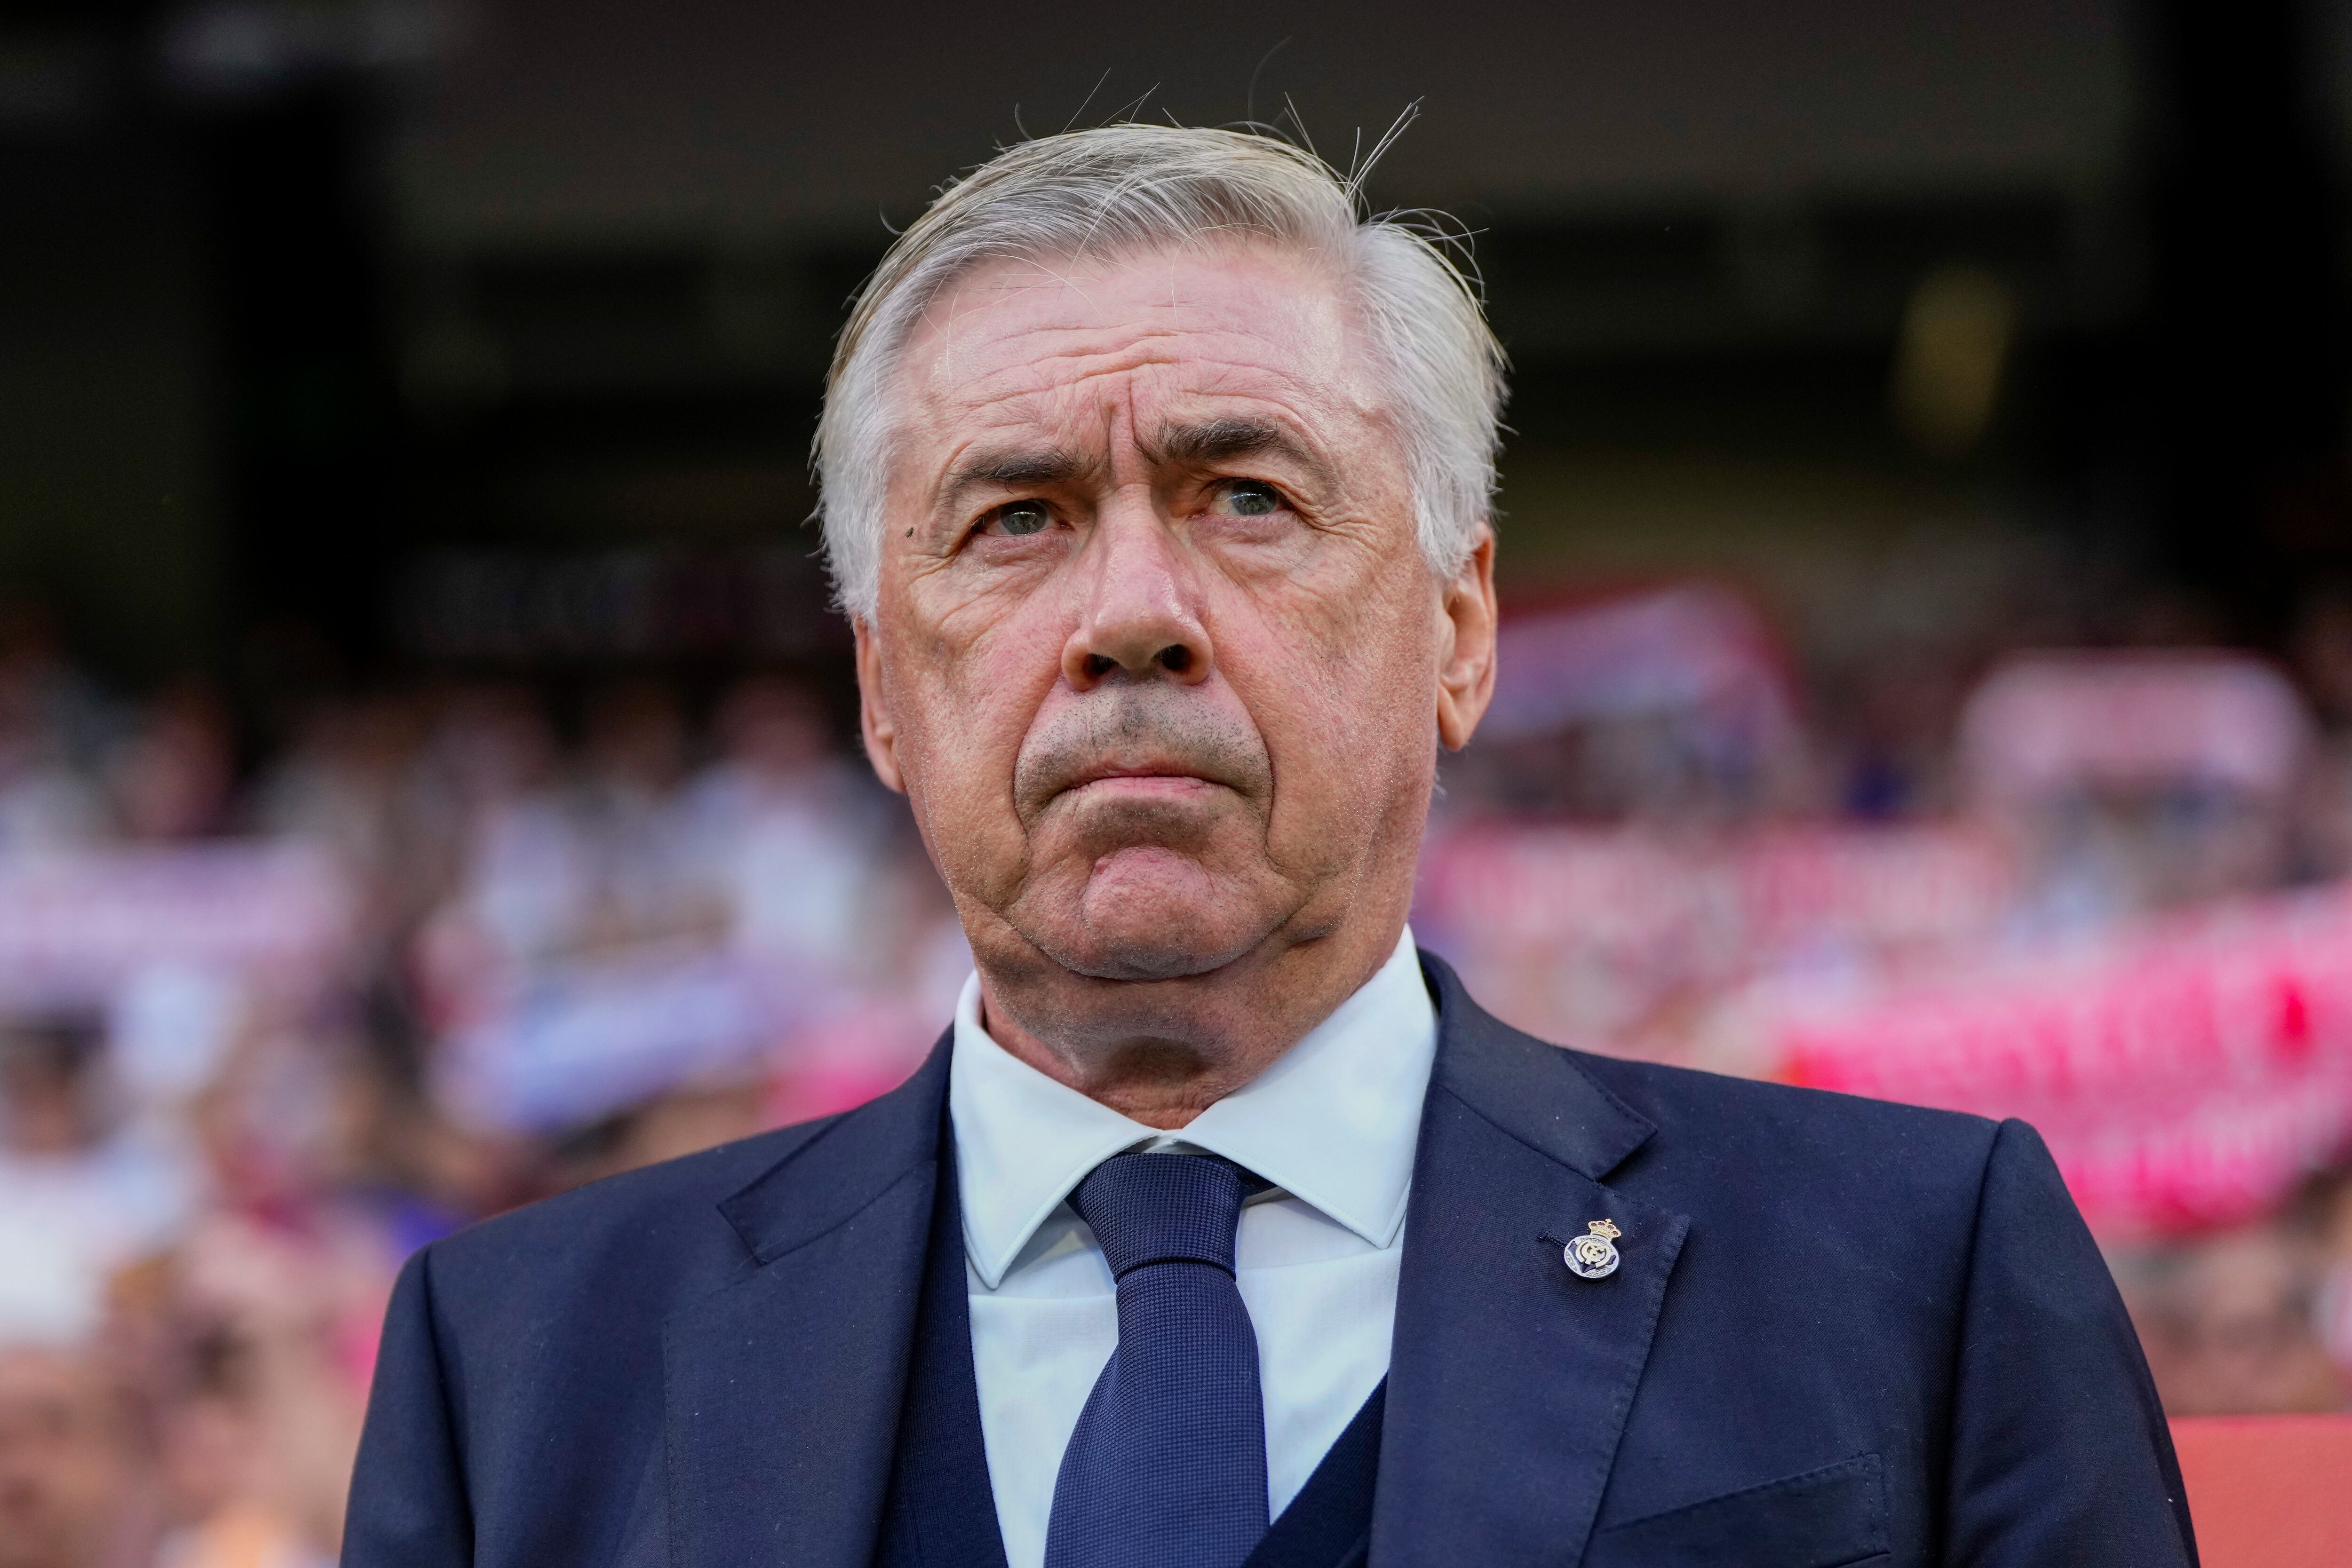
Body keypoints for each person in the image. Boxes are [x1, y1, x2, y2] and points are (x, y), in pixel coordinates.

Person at [343, 126, 2195, 1568]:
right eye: (1015, 519)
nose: (1129, 615)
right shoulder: (519, 1371)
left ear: (1458, 629)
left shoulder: (1910, 1275)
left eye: (1246, 495)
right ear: (881, 690)